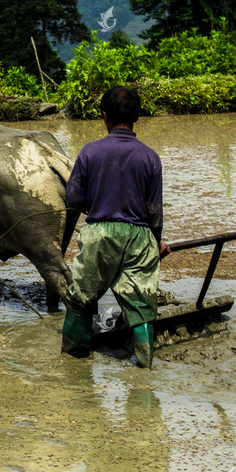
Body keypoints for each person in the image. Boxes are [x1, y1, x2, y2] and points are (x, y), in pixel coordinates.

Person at [62, 86, 171, 367]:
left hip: (100, 234)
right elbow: (153, 211)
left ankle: (74, 366)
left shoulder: (89, 152)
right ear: (137, 116)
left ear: (104, 116)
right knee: (141, 306)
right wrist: (155, 243)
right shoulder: (150, 157)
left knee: (81, 299)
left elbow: (72, 197)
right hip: (139, 236)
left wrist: (91, 204)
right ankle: (145, 370)